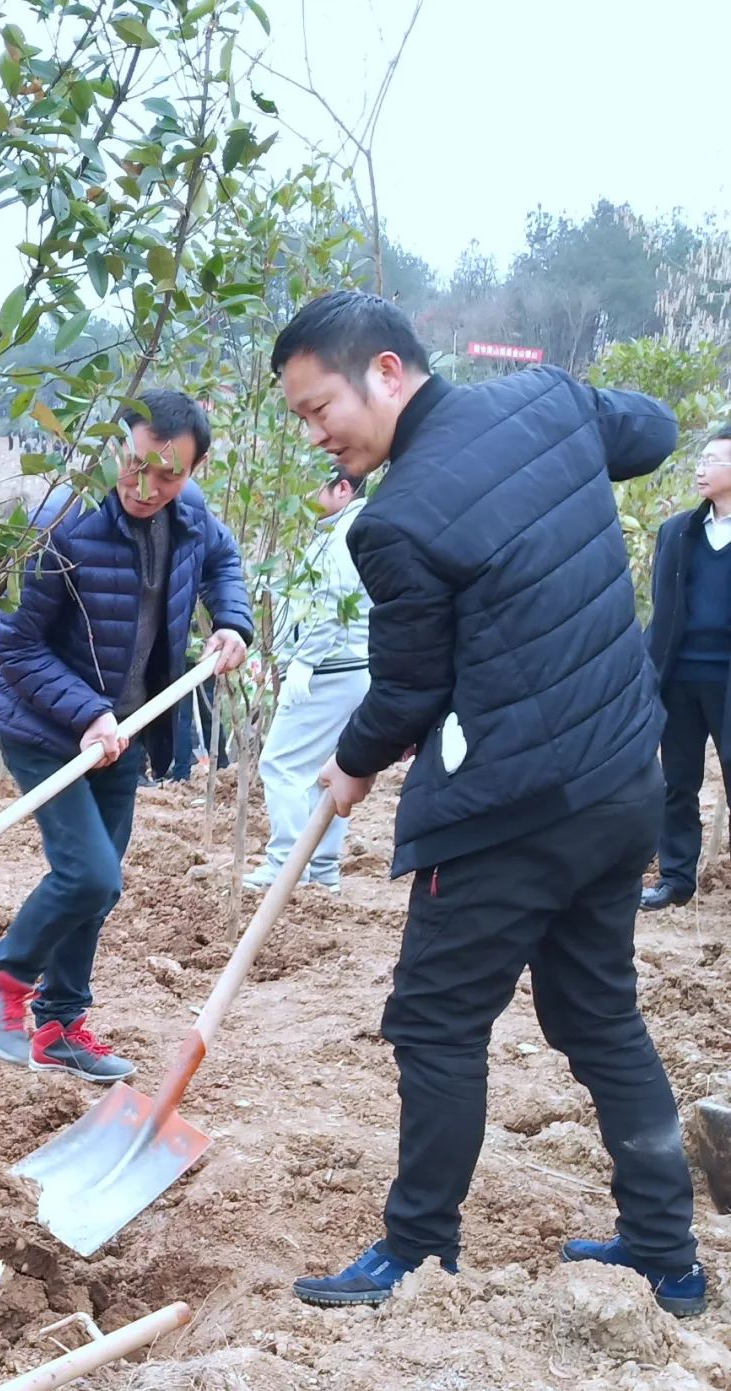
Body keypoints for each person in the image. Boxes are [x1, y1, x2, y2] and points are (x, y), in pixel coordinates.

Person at [272, 290, 704, 1317]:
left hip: (511, 813)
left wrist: (353, 761)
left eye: (317, 404)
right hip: (620, 784)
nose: (315, 432)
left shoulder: (397, 523)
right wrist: (563, 450)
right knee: (599, 1014)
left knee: (435, 1022)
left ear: (384, 369)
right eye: (298, 418)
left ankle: (417, 1250)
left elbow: (409, 689)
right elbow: (650, 428)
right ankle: (665, 1252)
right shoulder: (552, 399)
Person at [0, 388, 252, 1082]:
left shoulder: (190, 515)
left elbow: (223, 561)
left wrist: (232, 622)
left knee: (100, 885)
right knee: (89, 872)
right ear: (115, 448)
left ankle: (60, 1024)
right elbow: (13, 647)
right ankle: (2, 980)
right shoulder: (61, 523)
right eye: (135, 465)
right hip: (44, 723)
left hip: (125, 726)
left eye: (169, 474)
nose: (147, 486)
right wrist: (87, 712)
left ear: (196, 470)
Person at [243, 463, 372, 893]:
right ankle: (321, 870)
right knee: (325, 772)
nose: (305, 494)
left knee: (280, 763)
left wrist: (305, 661)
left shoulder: (342, 539)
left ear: (341, 489)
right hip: (352, 667)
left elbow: (334, 601)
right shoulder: (354, 530)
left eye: (312, 483)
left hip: (332, 669)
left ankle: (287, 865)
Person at [641, 428, 731, 910]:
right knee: (677, 782)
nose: (701, 467)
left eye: (713, 460)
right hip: (679, 678)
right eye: (701, 458)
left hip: (727, 678)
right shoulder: (677, 532)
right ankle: (676, 878)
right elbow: (661, 610)